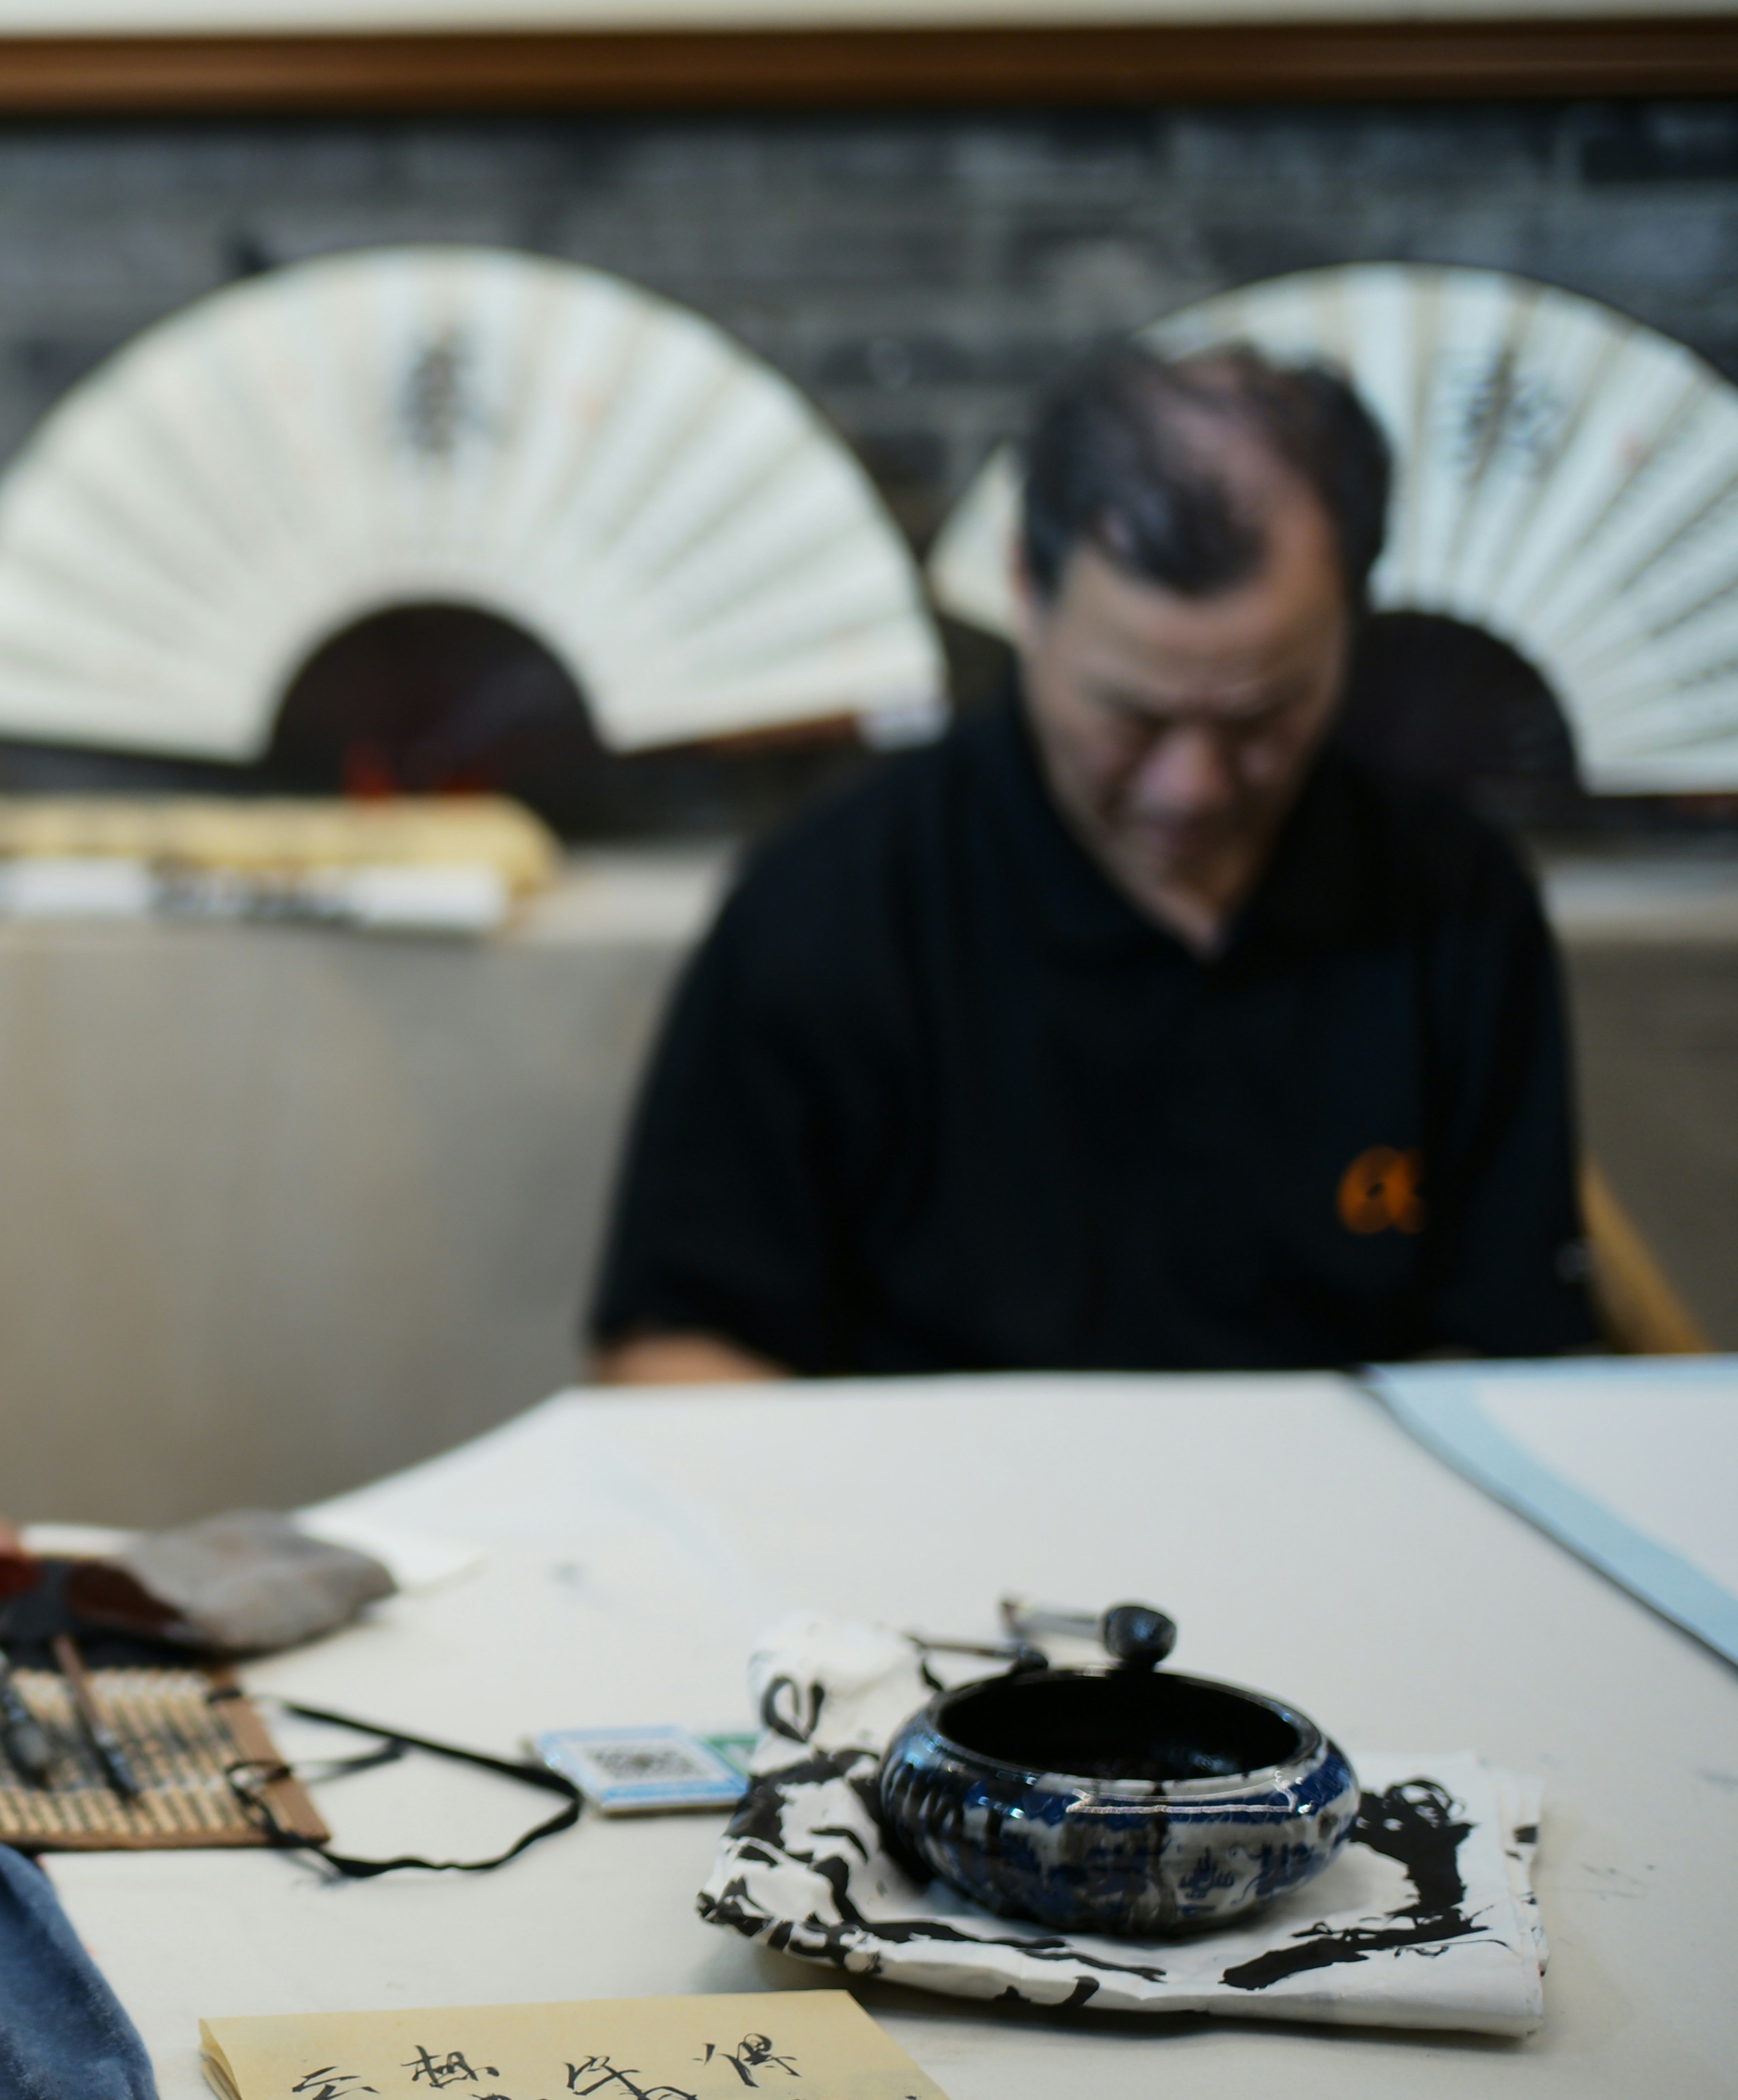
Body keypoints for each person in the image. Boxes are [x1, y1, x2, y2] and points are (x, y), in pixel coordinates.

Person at [588, 342, 1593, 1380]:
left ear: (1353, 621)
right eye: (1133, 716)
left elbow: (1515, 1358)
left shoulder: (1453, 898)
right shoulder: (829, 908)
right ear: (1028, 589)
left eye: (1262, 716)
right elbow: (674, 1355)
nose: (1191, 787)